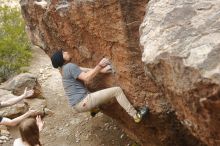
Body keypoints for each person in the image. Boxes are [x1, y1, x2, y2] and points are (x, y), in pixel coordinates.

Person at [51, 50, 149, 123]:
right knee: (117, 91)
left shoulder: (65, 69)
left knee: (95, 92)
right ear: (61, 58)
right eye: (63, 52)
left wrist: (100, 70)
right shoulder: (70, 66)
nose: (67, 52)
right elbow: (86, 78)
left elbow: (86, 70)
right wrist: (100, 65)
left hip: (76, 105)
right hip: (83, 102)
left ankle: (94, 109)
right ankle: (136, 115)